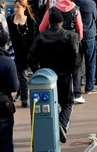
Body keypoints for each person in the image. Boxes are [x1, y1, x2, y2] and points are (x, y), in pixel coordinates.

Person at [28, 8, 81, 144]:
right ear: (62, 22)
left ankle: (55, 125)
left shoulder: (41, 37)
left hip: (46, 76)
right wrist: (72, 70)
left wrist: (38, 72)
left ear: (49, 22)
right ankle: (62, 124)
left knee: (49, 104)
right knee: (68, 102)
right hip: (64, 74)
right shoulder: (70, 36)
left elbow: (31, 56)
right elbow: (75, 55)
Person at [6, 0, 37, 108]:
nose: (16, 9)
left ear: (24, 7)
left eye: (18, 7)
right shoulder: (9, 20)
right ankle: (16, 93)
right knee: (14, 74)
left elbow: (34, 38)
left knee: (23, 75)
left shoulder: (30, 21)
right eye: (15, 7)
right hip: (13, 51)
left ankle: (24, 98)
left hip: (26, 52)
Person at [72, 0, 97, 94]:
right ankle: (89, 87)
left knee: (77, 64)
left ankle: (77, 90)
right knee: (90, 62)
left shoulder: (71, 3)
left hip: (76, 37)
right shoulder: (91, 3)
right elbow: (95, 17)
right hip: (89, 35)